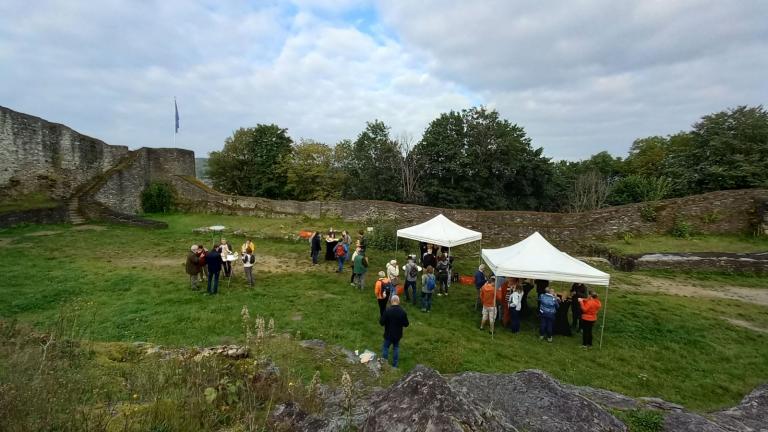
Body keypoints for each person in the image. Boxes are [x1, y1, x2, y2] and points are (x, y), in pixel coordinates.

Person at [380, 295, 409, 368]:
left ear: (391, 301)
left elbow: (381, 323)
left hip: (388, 334)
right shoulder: (402, 312)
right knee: (396, 348)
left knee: (386, 347)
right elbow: (406, 324)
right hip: (398, 334)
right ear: (398, 301)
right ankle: (395, 366)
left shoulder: (387, 310)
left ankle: (384, 364)